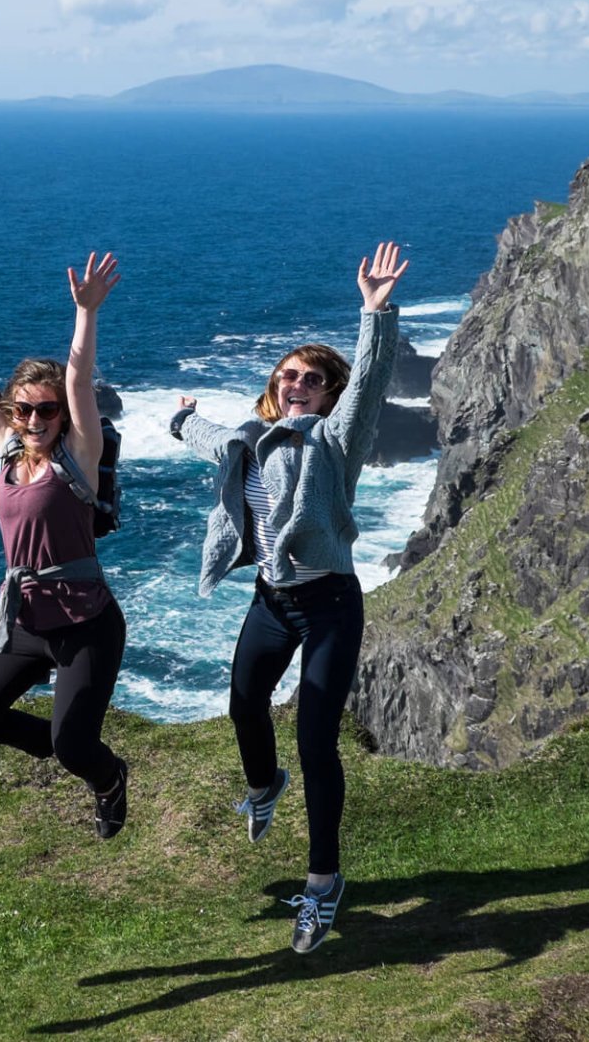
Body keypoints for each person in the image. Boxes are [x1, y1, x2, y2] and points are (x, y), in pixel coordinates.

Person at [170, 240, 409, 952]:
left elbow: (370, 381)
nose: (296, 382)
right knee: (244, 703)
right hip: (272, 602)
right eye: (287, 376)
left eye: (310, 378)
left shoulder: (335, 441)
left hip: (330, 602)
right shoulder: (250, 437)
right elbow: (213, 435)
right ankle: (262, 784)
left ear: (328, 394)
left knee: (315, 742)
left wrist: (376, 312)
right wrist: (182, 418)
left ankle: (323, 884)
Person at [0, 252, 131, 838]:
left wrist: (86, 314)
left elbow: (78, 376)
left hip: (86, 621)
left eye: (46, 410)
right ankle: (63, 743)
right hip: (26, 621)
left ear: (62, 415)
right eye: (23, 409)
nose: (33, 418)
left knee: (77, 749)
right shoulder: (6, 448)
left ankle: (108, 778)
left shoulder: (79, 456)